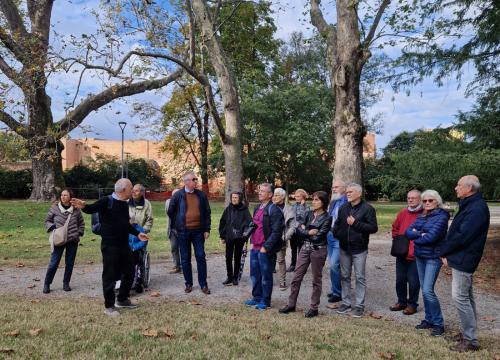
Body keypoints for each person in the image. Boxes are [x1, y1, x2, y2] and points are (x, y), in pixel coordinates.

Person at [71, 178, 149, 316]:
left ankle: (122, 299)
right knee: (110, 276)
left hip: (124, 245)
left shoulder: (124, 204)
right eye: (131, 188)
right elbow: (91, 209)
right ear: (124, 190)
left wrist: (138, 234)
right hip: (110, 246)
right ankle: (109, 306)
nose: (133, 191)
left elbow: (125, 225)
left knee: (130, 272)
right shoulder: (106, 201)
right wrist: (84, 206)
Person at [440, 176, 490, 352]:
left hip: (465, 258)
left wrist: (443, 251)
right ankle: (469, 334)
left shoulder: (476, 208)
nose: (455, 188)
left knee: (460, 297)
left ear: (469, 188)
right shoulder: (470, 204)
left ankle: (471, 340)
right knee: (466, 297)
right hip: (463, 256)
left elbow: (462, 236)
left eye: (459, 185)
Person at [279, 191, 332, 318]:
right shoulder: (308, 214)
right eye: (313, 199)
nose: (313, 202)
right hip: (304, 248)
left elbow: (318, 237)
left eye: (316, 200)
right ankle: (291, 304)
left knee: (316, 280)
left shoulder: (327, 217)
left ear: (323, 202)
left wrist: (305, 230)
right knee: (296, 277)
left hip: (318, 250)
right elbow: (298, 229)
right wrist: (308, 232)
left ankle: (314, 308)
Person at [405, 189, 449, 337]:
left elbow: (432, 237)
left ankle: (438, 323)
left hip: (433, 258)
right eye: (424, 201)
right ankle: (429, 319)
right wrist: (420, 234)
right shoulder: (422, 215)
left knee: (428, 290)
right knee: (424, 289)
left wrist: (417, 235)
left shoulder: (442, 217)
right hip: (420, 256)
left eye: (431, 200)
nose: (427, 203)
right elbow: (407, 232)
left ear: (437, 201)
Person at [334, 183, 378, 318]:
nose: (347, 194)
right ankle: (346, 303)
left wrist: (356, 224)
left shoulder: (368, 209)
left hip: (359, 249)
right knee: (345, 276)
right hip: (344, 248)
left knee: (359, 277)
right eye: (347, 192)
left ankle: (359, 305)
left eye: (350, 192)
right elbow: (337, 224)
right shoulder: (343, 208)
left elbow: (373, 228)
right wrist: (337, 234)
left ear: (359, 194)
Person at [167, 170, 211, 294]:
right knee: (185, 259)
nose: (196, 181)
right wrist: (178, 224)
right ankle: (188, 284)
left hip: (198, 231)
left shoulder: (201, 195)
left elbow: (207, 213)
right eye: (193, 179)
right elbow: (170, 212)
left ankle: (203, 284)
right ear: (186, 182)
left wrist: (207, 229)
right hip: (183, 232)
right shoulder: (178, 195)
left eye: (196, 179)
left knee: (201, 256)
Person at [244, 183, 284, 310]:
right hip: (255, 247)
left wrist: (266, 247)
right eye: (259, 190)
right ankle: (256, 297)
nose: (259, 193)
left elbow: (277, 232)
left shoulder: (275, 210)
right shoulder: (257, 208)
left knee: (266, 275)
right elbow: (254, 227)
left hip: (265, 249)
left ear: (270, 194)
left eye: (263, 191)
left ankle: (265, 300)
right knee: (255, 274)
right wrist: (251, 242)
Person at [43, 189, 85, 294]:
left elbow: (81, 223)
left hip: (72, 240)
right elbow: (47, 220)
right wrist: (52, 227)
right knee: (54, 262)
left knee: (69, 263)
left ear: (70, 197)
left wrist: (79, 232)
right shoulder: (55, 208)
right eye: (61, 195)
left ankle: (66, 283)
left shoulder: (76, 210)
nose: (63, 197)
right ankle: (47, 283)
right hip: (58, 239)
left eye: (65, 195)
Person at [389, 190, 422, 315]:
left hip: (416, 254)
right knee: (400, 280)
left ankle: (412, 304)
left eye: (413, 198)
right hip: (401, 252)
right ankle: (401, 302)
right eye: (408, 198)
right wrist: (398, 239)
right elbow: (395, 226)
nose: (410, 200)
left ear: (419, 199)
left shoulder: (424, 213)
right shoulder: (403, 212)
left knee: (414, 282)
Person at [218, 191, 252, 286]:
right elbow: (223, 222)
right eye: (233, 197)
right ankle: (229, 276)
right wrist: (222, 236)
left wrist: (245, 235)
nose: (234, 199)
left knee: (237, 257)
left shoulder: (244, 210)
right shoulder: (228, 209)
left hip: (239, 238)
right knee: (228, 257)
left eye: (236, 198)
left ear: (240, 199)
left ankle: (235, 277)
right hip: (229, 237)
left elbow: (250, 224)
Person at [129, 184, 154, 293]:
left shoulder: (147, 204)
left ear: (142, 193)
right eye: (132, 190)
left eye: (137, 191)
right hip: (127, 232)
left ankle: (139, 280)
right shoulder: (126, 202)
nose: (134, 192)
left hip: (140, 233)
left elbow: (149, 219)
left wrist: (143, 231)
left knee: (139, 258)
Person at [326, 180, 348, 304]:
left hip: (339, 238)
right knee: (332, 265)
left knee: (335, 264)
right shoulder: (333, 202)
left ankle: (337, 293)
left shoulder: (348, 202)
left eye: (336, 187)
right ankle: (335, 289)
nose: (334, 189)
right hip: (330, 236)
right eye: (333, 187)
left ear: (344, 188)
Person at [272, 188, 296, 291]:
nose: (275, 197)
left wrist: (285, 237)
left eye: (277, 195)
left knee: (280, 260)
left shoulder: (289, 209)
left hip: (281, 238)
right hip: (269, 238)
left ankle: (282, 281)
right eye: (274, 195)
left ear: (282, 197)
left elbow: (292, 226)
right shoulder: (271, 207)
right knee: (268, 259)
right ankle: (267, 279)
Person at [287, 189, 309, 272]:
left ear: (303, 197)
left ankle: (301, 265)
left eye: (298, 196)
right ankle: (293, 264)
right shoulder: (293, 206)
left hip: (301, 231)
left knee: (301, 249)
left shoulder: (306, 207)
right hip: (293, 230)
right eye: (295, 196)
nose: (296, 197)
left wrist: (302, 206)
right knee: (293, 249)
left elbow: (304, 218)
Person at [165, 188, 181, 274]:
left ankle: (183, 266)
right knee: (174, 248)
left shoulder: (183, 203)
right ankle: (176, 265)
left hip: (182, 230)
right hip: (172, 229)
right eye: (174, 195)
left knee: (183, 248)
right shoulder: (168, 202)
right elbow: (167, 214)